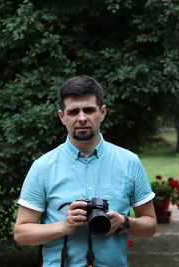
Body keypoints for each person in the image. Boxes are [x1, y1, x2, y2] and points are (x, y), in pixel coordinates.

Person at [14, 75, 157, 267]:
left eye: (89, 110)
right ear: (62, 117)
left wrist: (124, 222)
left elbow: (150, 225)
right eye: (73, 112)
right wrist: (64, 226)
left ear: (103, 112)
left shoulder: (129, 162)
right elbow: (21, 234)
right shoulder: (43, 167)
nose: (82, 118)